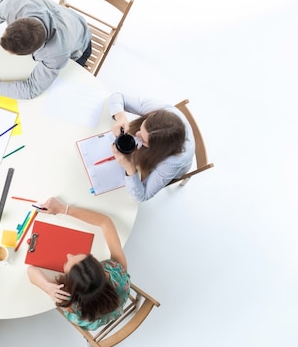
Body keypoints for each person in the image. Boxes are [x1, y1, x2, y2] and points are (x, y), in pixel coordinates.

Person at [27, 197, 130, 330]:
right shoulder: (117, 272)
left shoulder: (69, 302)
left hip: (91, 319)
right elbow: (105, 222)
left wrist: (47, 287)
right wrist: (62, 209)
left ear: (71, 286)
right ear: (100, 269)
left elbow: (31, 271)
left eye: (66, 266)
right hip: (116, 303)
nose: (68, 255)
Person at [109, 92, 196, 202]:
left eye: (144, 140)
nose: (137, 135)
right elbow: (117, 96)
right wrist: (120, 117)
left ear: (156, 150)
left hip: (173, 167)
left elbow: (143, 196)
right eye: (142, 127)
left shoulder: (173, 163)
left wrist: (130, 168)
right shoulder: (162, 112)